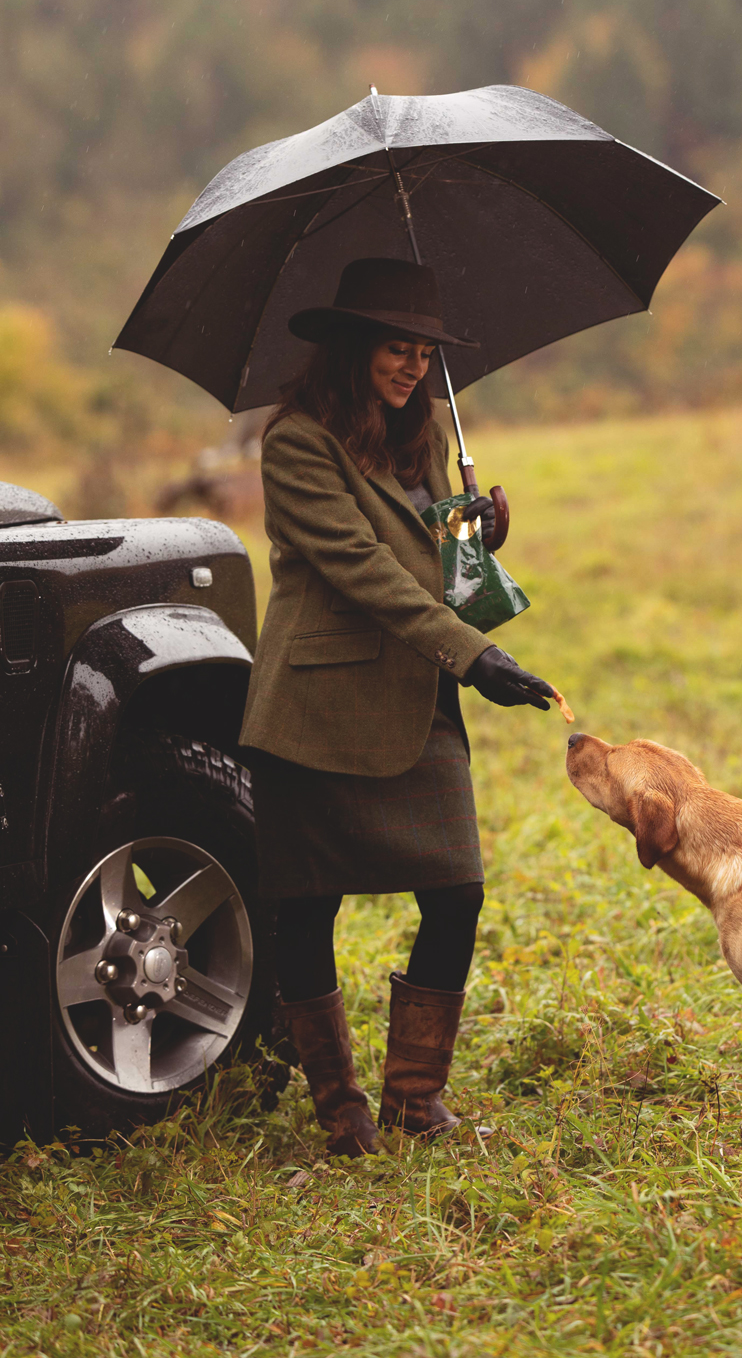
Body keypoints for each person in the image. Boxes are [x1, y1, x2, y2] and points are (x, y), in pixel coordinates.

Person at [239, 257, 554, 1157]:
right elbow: (363, 569)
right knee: (308, 908)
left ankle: (416, 1099)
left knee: (456, 893)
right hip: (317, 708)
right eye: (395, 348)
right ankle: (339, 1108)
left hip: (413, 702)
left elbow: (429, 565)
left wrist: (474, 539)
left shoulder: (418, 436)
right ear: (351, 348)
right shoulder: (296, 442)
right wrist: (475, 657)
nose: (412, 366)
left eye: (422, 351)